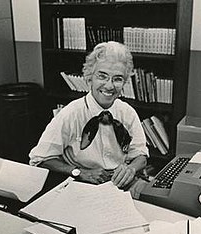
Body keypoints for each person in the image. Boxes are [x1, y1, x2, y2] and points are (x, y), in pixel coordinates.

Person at [29, 41, 149, 190]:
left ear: (124, 83)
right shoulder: (70, 114)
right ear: (89, 77)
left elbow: (141, 155)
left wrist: (130, 169)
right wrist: (79, 172)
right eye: (102, 76)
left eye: (117, 79)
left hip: (121, 184)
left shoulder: (128, 112)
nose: (109, 86)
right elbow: (40, 159)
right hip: (83, 185)